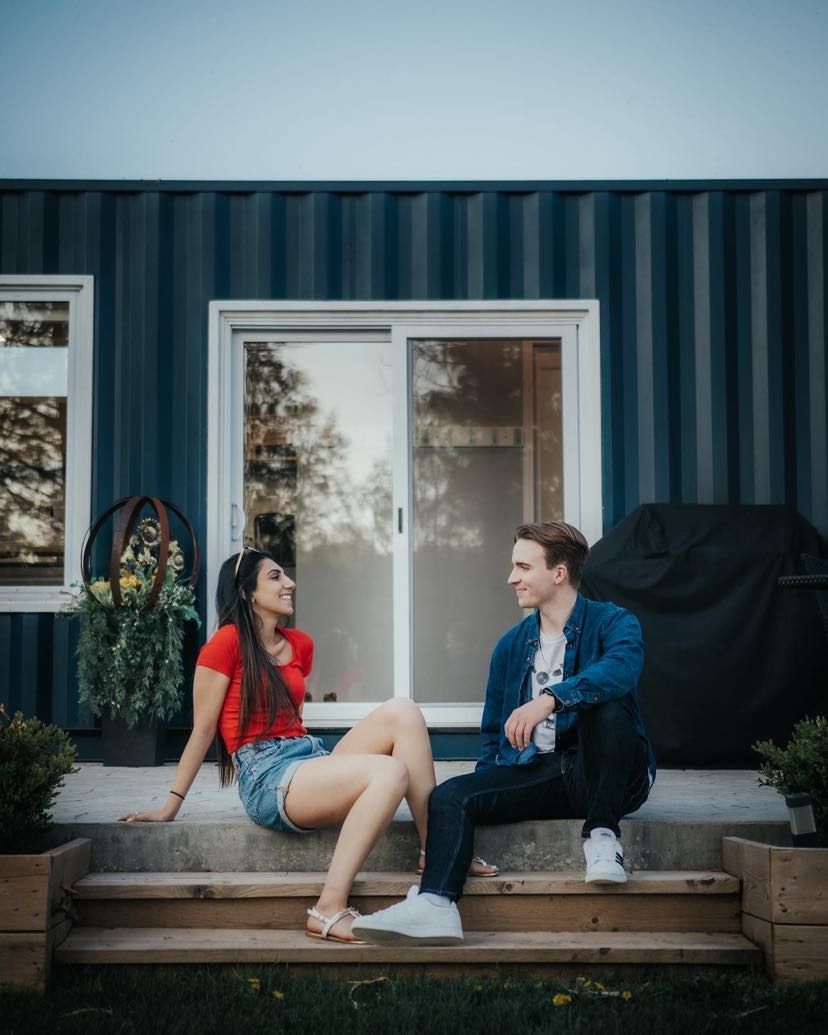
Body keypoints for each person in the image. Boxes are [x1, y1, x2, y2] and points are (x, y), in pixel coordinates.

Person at [352, 521, 656, 945]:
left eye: (522, 567)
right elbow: (494, 735)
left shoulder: (613, 622)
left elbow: (621, 670)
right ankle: (435, 905)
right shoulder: (511, 646)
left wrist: (549, 698)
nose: (511, 577)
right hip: (548, 773)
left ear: (559, 572)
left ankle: (602, 835)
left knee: (608, 702)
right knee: (450, 795)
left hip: (612, 773)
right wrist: (482, 794)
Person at [120, 546, 441, 944]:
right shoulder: (224, 645)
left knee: (404, 711)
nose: (289, 583)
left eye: (285, 576)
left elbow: (293, 720)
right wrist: (170, 804)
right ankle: (328, 909)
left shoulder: (299, 645)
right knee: (391, 772)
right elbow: (202, 731)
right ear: (246, 592)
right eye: (275, 577)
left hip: (307, 756)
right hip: (267, 777)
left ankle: (436, 855)